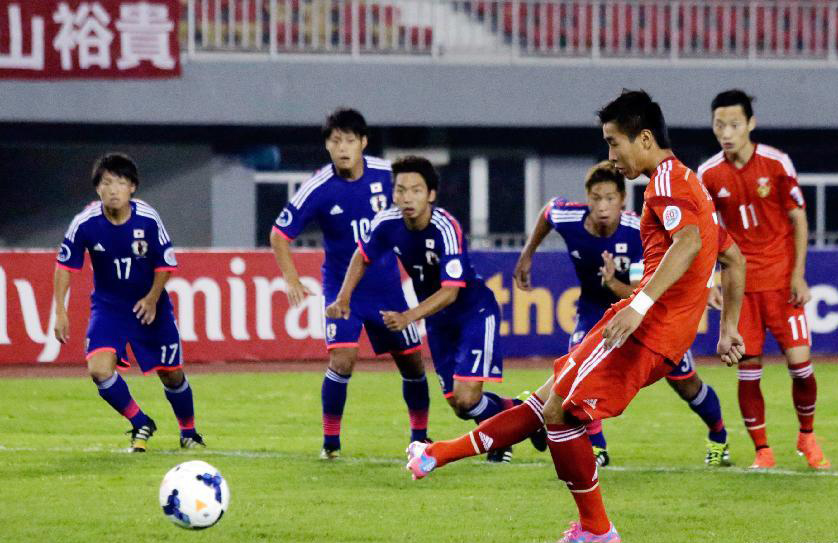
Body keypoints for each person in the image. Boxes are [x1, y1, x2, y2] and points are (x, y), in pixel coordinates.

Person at [409, 90, 745, 542]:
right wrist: (727, 330)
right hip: (641, 324)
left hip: (645, 330)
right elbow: (733, 256)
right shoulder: (687, 183)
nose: (610, 155)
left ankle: (596, 530)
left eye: (614, 142)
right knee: (545, 400)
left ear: (644, 138)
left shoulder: (666, 181)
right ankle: (439, 453)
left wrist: (642, 305)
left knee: (559, 415)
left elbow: (688, 242)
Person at [514, 161, 732, 466]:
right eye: (596, 198)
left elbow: (642, 293)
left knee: (686, 382)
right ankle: (597, 448)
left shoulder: (638, 229)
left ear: (623, 201)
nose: (603, 207)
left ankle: (719, 436)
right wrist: (527, 255)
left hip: (645, 314)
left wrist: (614, 281)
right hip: (592, 310)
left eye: (610, 199)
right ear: (587, 198)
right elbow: (548, 211)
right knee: (575, 376)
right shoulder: (570, 217)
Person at [326, 156, 535, 463]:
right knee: (460, 406)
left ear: (431, 195)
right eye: (401, 190)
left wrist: (408, 317)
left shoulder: (445, 227)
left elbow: (451, 291)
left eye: (416, 190)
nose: (407, 197)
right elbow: (362, 256)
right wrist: (343, 297)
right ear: (393, 194)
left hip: (472, 313)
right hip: (438, 322)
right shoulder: (387, 223)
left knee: (468, 397)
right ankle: (526, 415)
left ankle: (501, 442)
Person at [270, 109, 430, 459]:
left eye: (349, 140)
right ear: (327, 145)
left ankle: (420, 438)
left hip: (387, 287)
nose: (342, 148)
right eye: (335, 140)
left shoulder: (388, 176)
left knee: (413, 363)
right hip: (343, 291)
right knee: (342, 360)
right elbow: (279, 234)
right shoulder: (318, 186)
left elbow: (418, 210)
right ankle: (331, 443)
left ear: (364, 143)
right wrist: (292, 278)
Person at [697, 89, 828, 470]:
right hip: (742, 288)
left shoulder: (776, 162)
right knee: (748, 370)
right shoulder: (708, 174)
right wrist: (709, 281)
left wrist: (799, 275)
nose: (727, 132)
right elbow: (705, 233)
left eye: (734, 124)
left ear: (750, 124)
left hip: (782, 283)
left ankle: (807, 436)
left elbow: (798, 218)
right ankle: (762, 450)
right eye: (719, 124)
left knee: (801, 364)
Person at [52, 153, 203, 452]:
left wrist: (152, 297)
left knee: (171, 374)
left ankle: (189, 432)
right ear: (97, 189)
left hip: (151, 306)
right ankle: (140, 421)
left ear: (132, 187)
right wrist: (60, 311)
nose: (113, 189)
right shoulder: (85, 223)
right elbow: (64, 266)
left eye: (120, 182)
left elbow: (165, 263)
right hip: (110, 308)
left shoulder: (147, 217)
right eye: (106, 183)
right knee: (98, 369)